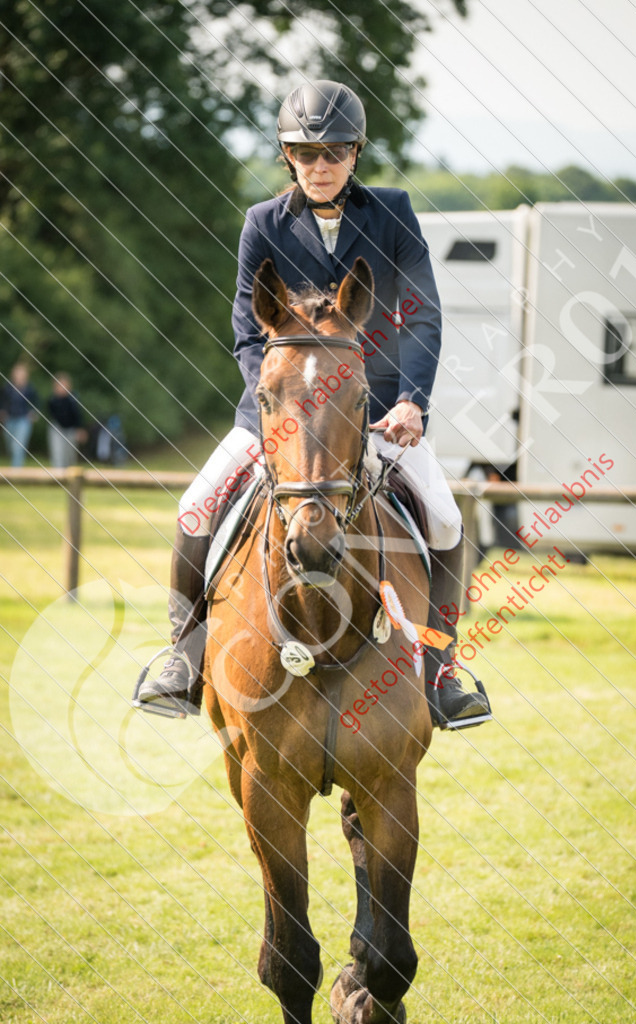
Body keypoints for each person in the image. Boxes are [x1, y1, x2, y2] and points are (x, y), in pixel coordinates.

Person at [137, 80, 490, 729]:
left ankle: (440, 671)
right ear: (288, 156)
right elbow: (248, 333)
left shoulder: (392, 212)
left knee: (444, 520)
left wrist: (411, 401)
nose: (319, 165)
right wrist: (282, 406)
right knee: (194, 508)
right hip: (278, 418)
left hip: (374, 414)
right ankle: (182, 660)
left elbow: (422, 316)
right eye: (305, 153)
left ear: (355, 153)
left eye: (332, 152)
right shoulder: (262, 223)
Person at [0, 363, 38, 467]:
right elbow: (2, 402)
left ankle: (16, 470)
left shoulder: (30, 389)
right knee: (10, 446)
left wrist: (33, 412)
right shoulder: (7, 388)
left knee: (18, 446)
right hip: (9, 419)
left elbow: (36, 403)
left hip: (23, 420)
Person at [47, 373, 85, 469]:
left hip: (71, 429)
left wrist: (79, 429)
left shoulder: (73, 399)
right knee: (57, 453)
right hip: (57, 429)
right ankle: (58, 474)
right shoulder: (52, 400)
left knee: (70, 456)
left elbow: (78, 415)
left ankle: (68, 474)